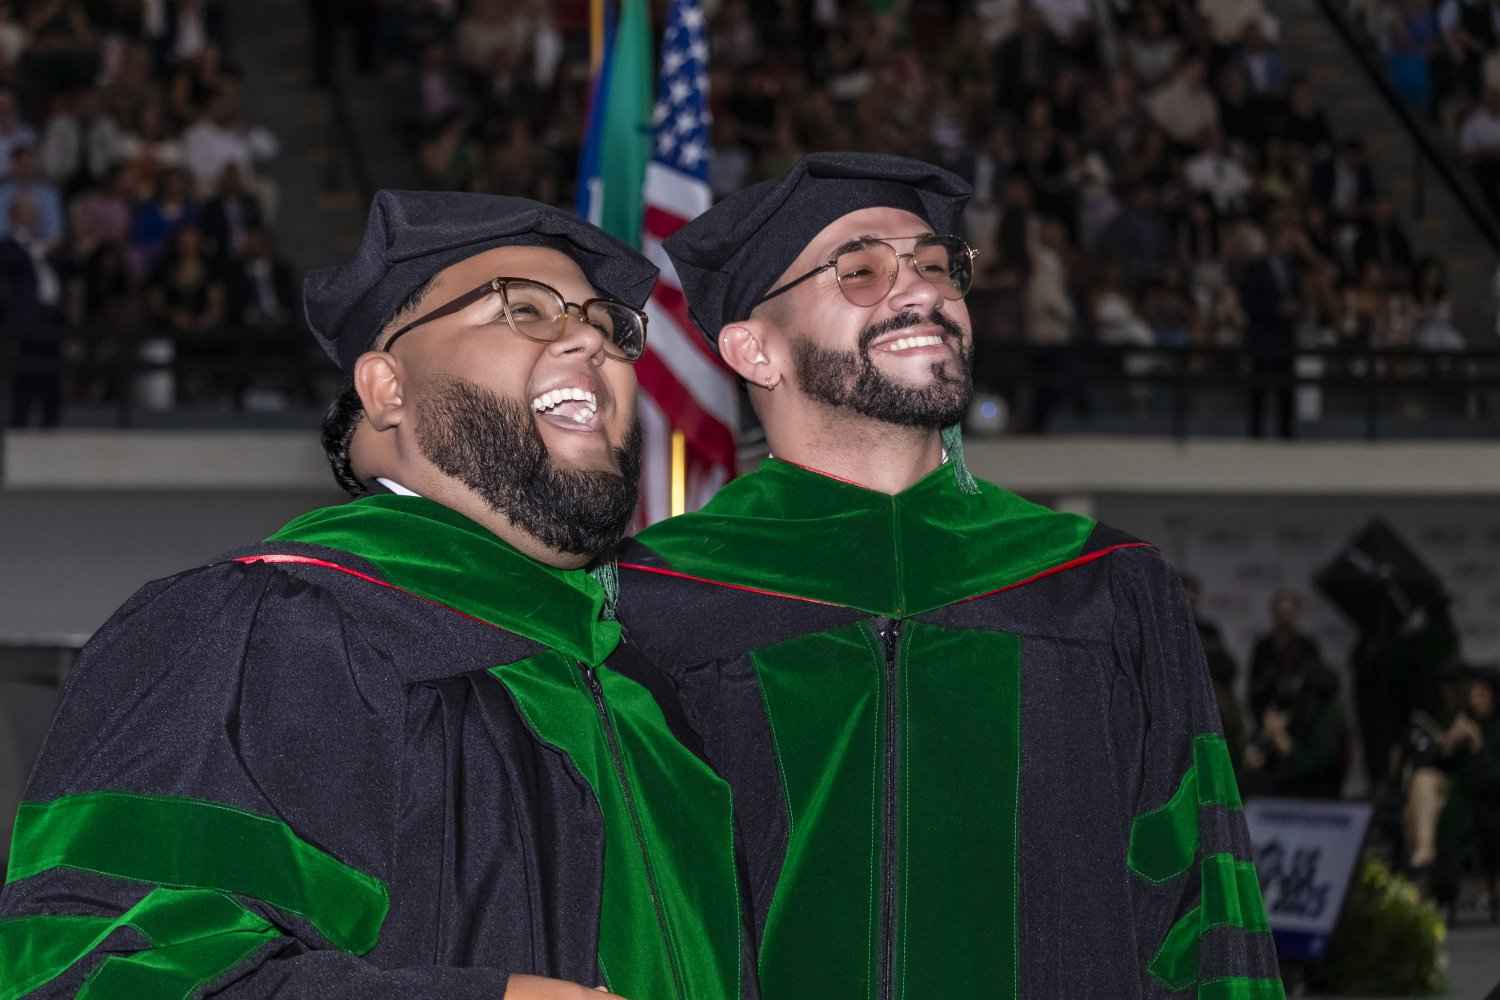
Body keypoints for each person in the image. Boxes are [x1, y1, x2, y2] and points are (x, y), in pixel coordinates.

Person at [0, 191, 746, 1000]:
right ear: (387, 389)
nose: (592, 340)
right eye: (524, 309)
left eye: (608, 326)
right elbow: (103, 970)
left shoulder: (644, 687)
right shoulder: (264, 630)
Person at [618, 153, 1280, 998]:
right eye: (861, 269)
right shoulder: (655, 607)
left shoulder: (1097, 587)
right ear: (756, 350)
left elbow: (1199, 907)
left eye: (937, 264)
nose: (922, 291)